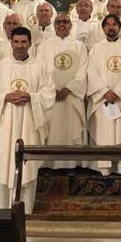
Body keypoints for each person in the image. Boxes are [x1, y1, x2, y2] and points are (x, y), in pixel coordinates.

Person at [0, 27, 54, 214]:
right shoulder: (0, 67)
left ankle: (25, 215)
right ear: (11, 43)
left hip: (28, 125)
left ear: (29, 43)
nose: (20, 46)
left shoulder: (39, 66)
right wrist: (5, 97)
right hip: (4, 128)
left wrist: (31, 97)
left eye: (23, 42)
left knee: (26, 171)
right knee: (3, 166)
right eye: (16, 42)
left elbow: (49, 93)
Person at [36, 12, 89, 169]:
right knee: (52, 130)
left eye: (65, 21)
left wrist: (68, 88)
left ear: (71, 25)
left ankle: (72, 164)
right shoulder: (44, 46)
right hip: (51, 97)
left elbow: (83, 71)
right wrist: (52, 90)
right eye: (59, 22)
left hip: (72, 96)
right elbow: (40, 71)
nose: (62, 24)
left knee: (71, 128)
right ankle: (50, 163)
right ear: (54, 24)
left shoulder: (79, 46)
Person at [86, 14, 121, 175]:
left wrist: (118, 91)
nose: (111, 27)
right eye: (107, 25)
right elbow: (91, 72)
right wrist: (104, 91)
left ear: (120, 27)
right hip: (103, 100)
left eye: (114, 24)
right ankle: (104, 168)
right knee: (103, 132)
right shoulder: (96, 49)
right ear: (103, 28)